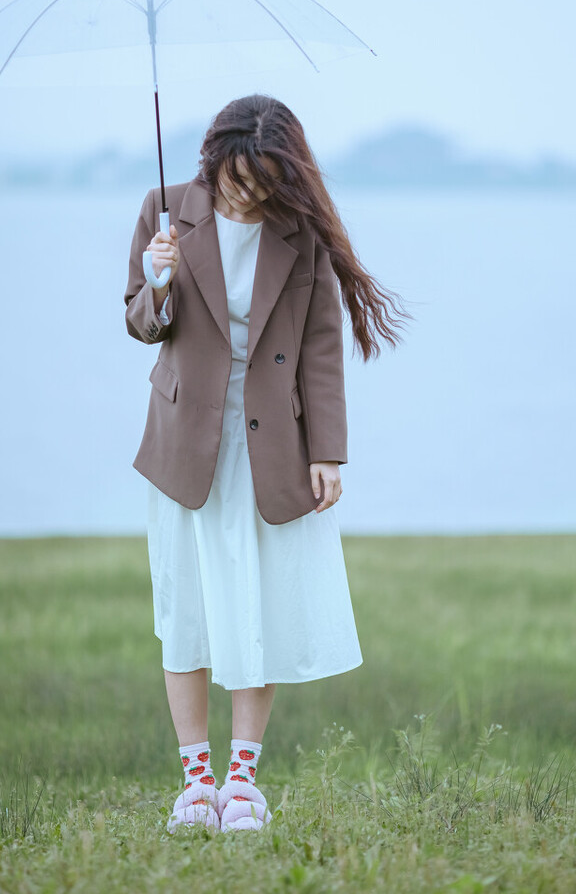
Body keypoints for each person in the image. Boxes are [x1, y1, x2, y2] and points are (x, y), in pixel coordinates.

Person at [124, 94, 410, 833]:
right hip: (186, 440)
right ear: (213, 163)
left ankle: (243, 784)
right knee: (184, 612)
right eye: (234, 180)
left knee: (262, 609)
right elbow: (140, 323)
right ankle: (196, 782)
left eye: (260, 183)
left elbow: (320, 346)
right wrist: (159, 280)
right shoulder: (164, 208)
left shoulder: (297, 231)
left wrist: (328, 452)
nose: (244, 195)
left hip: (271, 440)